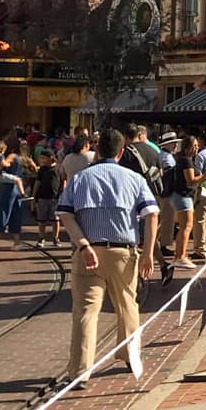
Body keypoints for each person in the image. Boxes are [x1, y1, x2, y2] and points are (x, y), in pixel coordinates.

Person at [55, 126, 157, 390]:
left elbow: (65, 214)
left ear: (97, 151)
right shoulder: (134, 179)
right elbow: (152, 214)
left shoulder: (80, 179)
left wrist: (84, 245)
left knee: (86, 312)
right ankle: (128, 354)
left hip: (89, 252)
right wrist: (148, 253)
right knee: (127, 305)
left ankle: (80, 371)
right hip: (124, 251)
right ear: (122, 152)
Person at [0, 135, 30, 249]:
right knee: (16, 214)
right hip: (18, 188)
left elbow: (3, 164)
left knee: (1, 211)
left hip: (8, 187)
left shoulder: (11, 156)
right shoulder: (24, 158)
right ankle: (16, 242)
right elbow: (34, 168)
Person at [171, 133, 198, 268]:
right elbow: (191, 180)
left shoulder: (181, 159)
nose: (197, 148)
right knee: (186, 227)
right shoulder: (186, 160)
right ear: (188, 147)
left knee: (184, 227)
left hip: (180, 195)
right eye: (194, 146)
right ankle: (180, 256)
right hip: (183, 195)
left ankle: (179, 255)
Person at [156, 131, 180, 257]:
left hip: (165, 191)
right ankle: (163, 244)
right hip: (168, 191)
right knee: (167, 219)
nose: (175, 145)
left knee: (165, 219)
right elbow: (169, 174)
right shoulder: (166, 157)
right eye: (173, 143)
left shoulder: (165, 155)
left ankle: (161, 243)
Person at [31, 148, 62, 246]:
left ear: (51, 158)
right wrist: (34, 195)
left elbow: (63, 181)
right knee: (41, 220)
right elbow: (37, 182)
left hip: (55, 197)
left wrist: (63, 193)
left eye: (44, 158)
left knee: (55, 219)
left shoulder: (58, 168)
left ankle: (55, 237)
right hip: (42, 197)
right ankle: (41, 238)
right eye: (41, 158)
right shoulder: (42, 170)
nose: (42, 160)